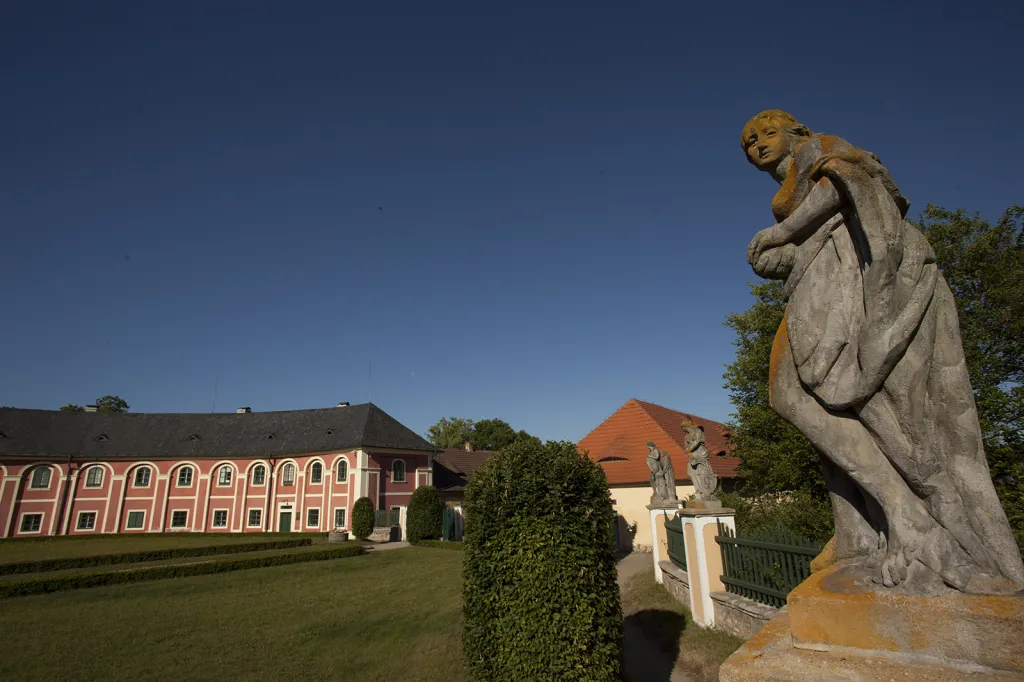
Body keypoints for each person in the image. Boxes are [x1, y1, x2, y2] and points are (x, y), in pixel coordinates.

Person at [742, 110, 1024, 594]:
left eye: (768, 133)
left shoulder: (823, 149)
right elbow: (806, 241)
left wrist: (784, 234)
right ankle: (892, 517)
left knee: (858, 400)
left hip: (865, 279)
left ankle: (919, 524)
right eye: (749, 142)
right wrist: (773, 256)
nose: (758, 145)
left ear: (797, 132)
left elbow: (857, 182)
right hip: (822, 284)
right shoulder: (789, 183)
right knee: (789, 395)